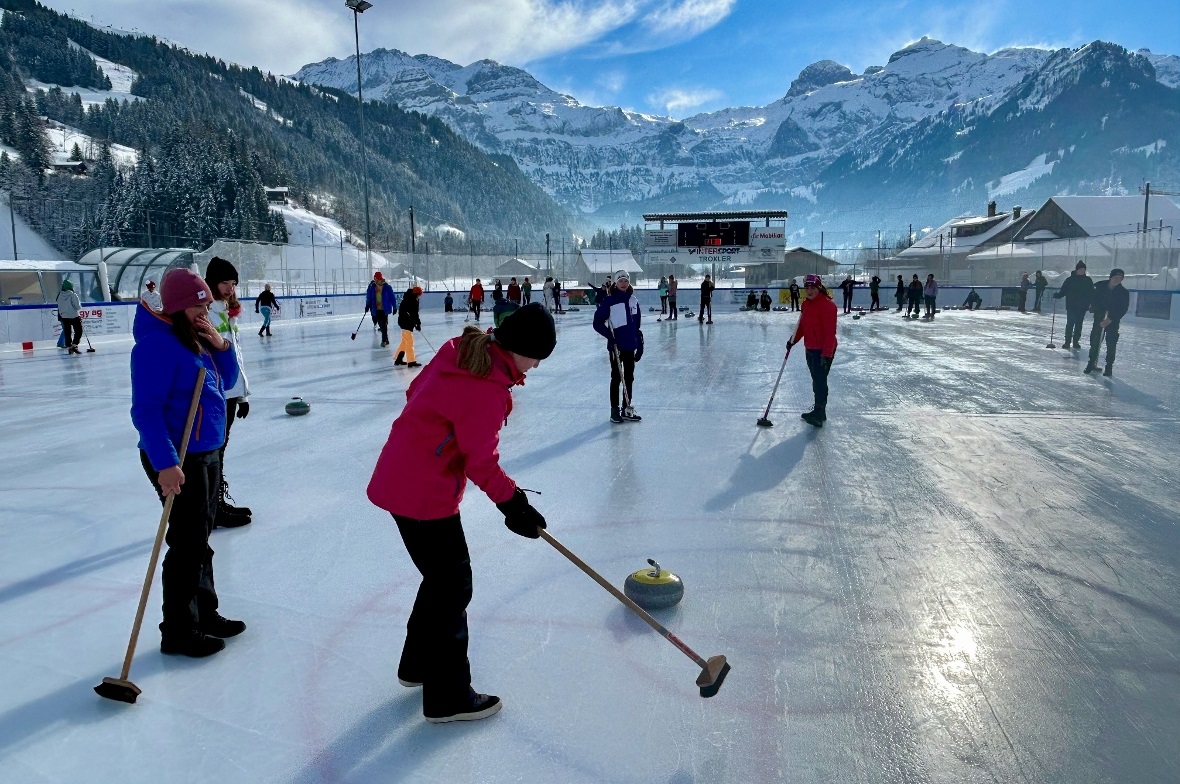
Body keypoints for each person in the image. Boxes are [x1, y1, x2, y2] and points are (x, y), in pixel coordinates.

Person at [366, 303, 556, 723]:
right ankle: (448, 695)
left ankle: (417, 665)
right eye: (538, 355)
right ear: (520, 348)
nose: (538, 365)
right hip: (423, 493)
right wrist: (515, 505)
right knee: (453, 586)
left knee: (440, 581)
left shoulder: (462, 350)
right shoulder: (485, 387)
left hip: (401, 477)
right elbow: (481, 463)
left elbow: (415, 393)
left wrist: (434, 437)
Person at [130, 267, 244, 658]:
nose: (205, 314)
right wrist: (165, 463)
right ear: (178, 308)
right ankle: (178, 630)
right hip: (177, 457)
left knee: (200, 540)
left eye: (207, 307)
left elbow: (227, 383)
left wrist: (221, 345)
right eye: (199, 308)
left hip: (205, 450)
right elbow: (145, 412)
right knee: (187, 543)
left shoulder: (195, 338)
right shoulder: (156, 346)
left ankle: (205, 614)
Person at [205, 257, 252, 529]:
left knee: (220, 449)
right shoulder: (206, 311)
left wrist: (243, 394)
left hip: (231, 392)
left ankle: (216, 505)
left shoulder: (228, 310)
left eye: (234, 283)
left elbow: (236, 356)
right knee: (213, 451)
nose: (230, 288)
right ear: (212, 282)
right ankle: (211, 508)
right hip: (214, 393)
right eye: (225, 282)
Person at [788, 274, 837, 428]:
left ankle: (819, 413)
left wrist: (826, 354)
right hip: (810, 347)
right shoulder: (806, 304)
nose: (809, 291)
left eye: (813, 288)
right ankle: (818, 410)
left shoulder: (828, 306)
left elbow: (830, 333)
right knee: (816, 380)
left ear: (819, 288)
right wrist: (793, 340)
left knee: (820, 381)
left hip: (823, 350)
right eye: (807, 288)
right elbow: (802, 327)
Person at [593, 270, 642, 423]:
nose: (623, 283)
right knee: (616, 378)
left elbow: (637, 326)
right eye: (620, 280)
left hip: (630, 345)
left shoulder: (633, 300)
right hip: (616, 347)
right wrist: (610, 337)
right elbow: (597, 323)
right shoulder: (610, 301)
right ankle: (614, 411)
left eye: (626, 281)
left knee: (629, 377)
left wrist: (639, 343)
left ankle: (626, 409)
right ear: (615, 282)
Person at [1084, 269, 1129, 377]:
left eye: (1120, 278)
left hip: (1112, 321)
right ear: (1110, 277)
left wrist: (1110, 319)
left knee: (1111, 343)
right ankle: (1091, 363)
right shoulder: (1099, 286)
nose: (1117, 280)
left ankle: (1109, 367)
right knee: (1095, 340)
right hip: (1099, 317)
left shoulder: (1123, 292)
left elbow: (1123, 309)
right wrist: (1092, 307)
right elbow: (1091, 298)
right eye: (1115, 277)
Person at [1052, 261, 1094, 350]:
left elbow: (1091, 294)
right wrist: (1058, 295)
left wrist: (1091, 304)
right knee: (1070, 323)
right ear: (1077, 270)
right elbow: (1064, 291)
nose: (1082, 271)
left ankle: (1076, 341)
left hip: (1082, 306)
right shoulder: (1070, 280)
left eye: (1084, 269)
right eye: (1081, 269)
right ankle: (1067, 342)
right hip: (1071, 305)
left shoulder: (1088, 281)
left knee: (1079, 324)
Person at [396, 286, 424, 368]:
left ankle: (398, 359)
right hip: (406, 323)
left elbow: (412, 314)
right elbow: (414, 314)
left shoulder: (407, 299)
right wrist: (417, 324)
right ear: (416, 294)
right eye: (419, 295)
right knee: (410, 342)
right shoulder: (413, 301)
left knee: (404, 342)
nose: (420, 297)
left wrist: (416, 323)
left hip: (403, 322)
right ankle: (411, 361)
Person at [366, 272, 396, 346]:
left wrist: (395, 307)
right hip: (376, 309)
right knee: (380, 324)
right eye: (375, 279)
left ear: (380, 279)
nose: (376, 280)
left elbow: (392, 298)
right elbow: (369, 297)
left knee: (384, 324)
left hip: (384, 309)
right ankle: (386, 339)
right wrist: (367, 305)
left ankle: (383, 341)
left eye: (377, 279)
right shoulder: (372, 287)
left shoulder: (387, 287)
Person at [56, 280, 83, 354]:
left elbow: (59, 305)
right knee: (79, 331)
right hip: (74, 316)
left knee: (67, 332)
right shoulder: (73, 295)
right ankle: (74, 345)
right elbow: (77, 307)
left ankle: (69, 346)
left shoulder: (59, 295)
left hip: (64, 316)